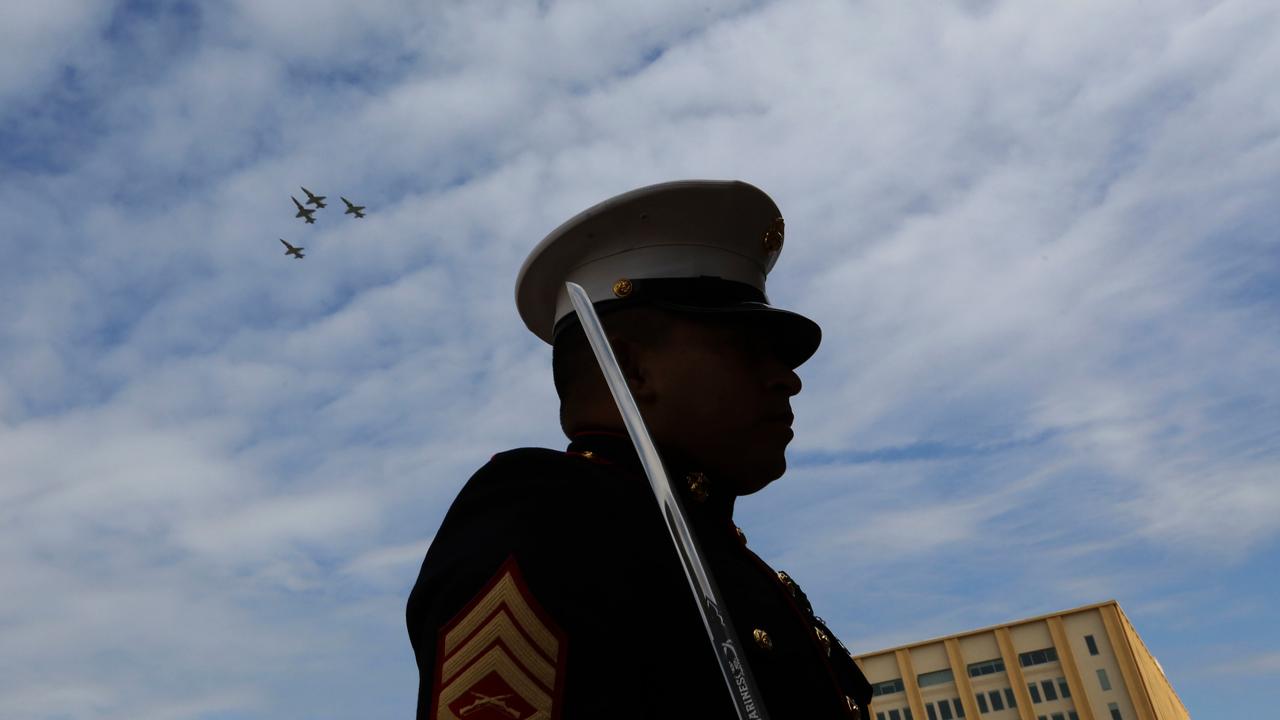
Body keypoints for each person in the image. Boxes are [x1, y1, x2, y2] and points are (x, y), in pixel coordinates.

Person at [407, 180, 873, 719]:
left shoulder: (737, 568)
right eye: (749, 350)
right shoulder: (553, 518)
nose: (788, 380)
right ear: (629, 369)